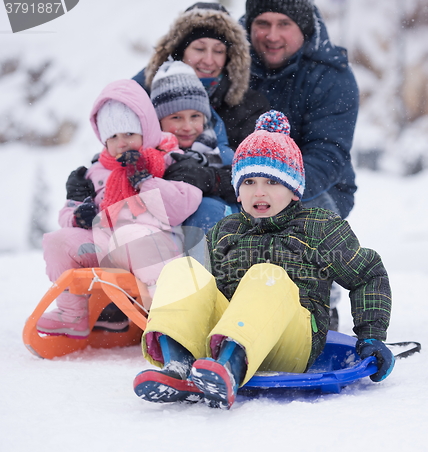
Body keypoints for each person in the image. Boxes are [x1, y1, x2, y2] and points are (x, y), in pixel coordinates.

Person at [133, 111, 394, 410]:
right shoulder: (224, 231)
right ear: (237, 190)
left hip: (292, 341)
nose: (259, 191)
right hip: (225, 334)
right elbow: (202, 295)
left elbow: (367, 275)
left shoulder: (319, 228)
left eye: (272, 181)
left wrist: (371, 336)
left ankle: (230, 368)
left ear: (294, 190)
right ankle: (178, 364)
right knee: (184, 270)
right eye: (249, 182)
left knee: (265, 275)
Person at [36, 79, 202, 338]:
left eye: (128, 134)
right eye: (113, 136)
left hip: (151, 242)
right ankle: (72, 314)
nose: (121, 142)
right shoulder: (94, 171)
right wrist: (77, 216)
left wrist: (146, 181)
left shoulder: (168, 160)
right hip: (102, 243)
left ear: (145, 132)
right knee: (59, 241)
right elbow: (69, 209)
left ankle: (167, 317)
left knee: (130, 233)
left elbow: (182, 205)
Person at [244, 0, 359, 220]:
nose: (272, 36)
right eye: (263, 23)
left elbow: (327, 153)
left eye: (284, 24)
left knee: (293, 236)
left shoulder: (331, 75)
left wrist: (273, 189)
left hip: (318, 186)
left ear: (303, 28)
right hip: (241, 184)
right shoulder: (233, 65)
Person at [133, 2, 270, 151]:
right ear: (180, 52)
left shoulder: (250, 107)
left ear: (229, 58)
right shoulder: (143, 96)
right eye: (199, 48)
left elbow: (252, 167)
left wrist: (208, 174)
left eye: (218, 51)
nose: (208, 60)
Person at [150, 59, 239, 233]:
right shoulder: (148, 153)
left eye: (195, 116)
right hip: (164, 241)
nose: (187, 126)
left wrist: (212, 179)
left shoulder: (219, 152)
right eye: (176, 117)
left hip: (216, 236)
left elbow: (250, 186)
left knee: (207, 208)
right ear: (158, 121)